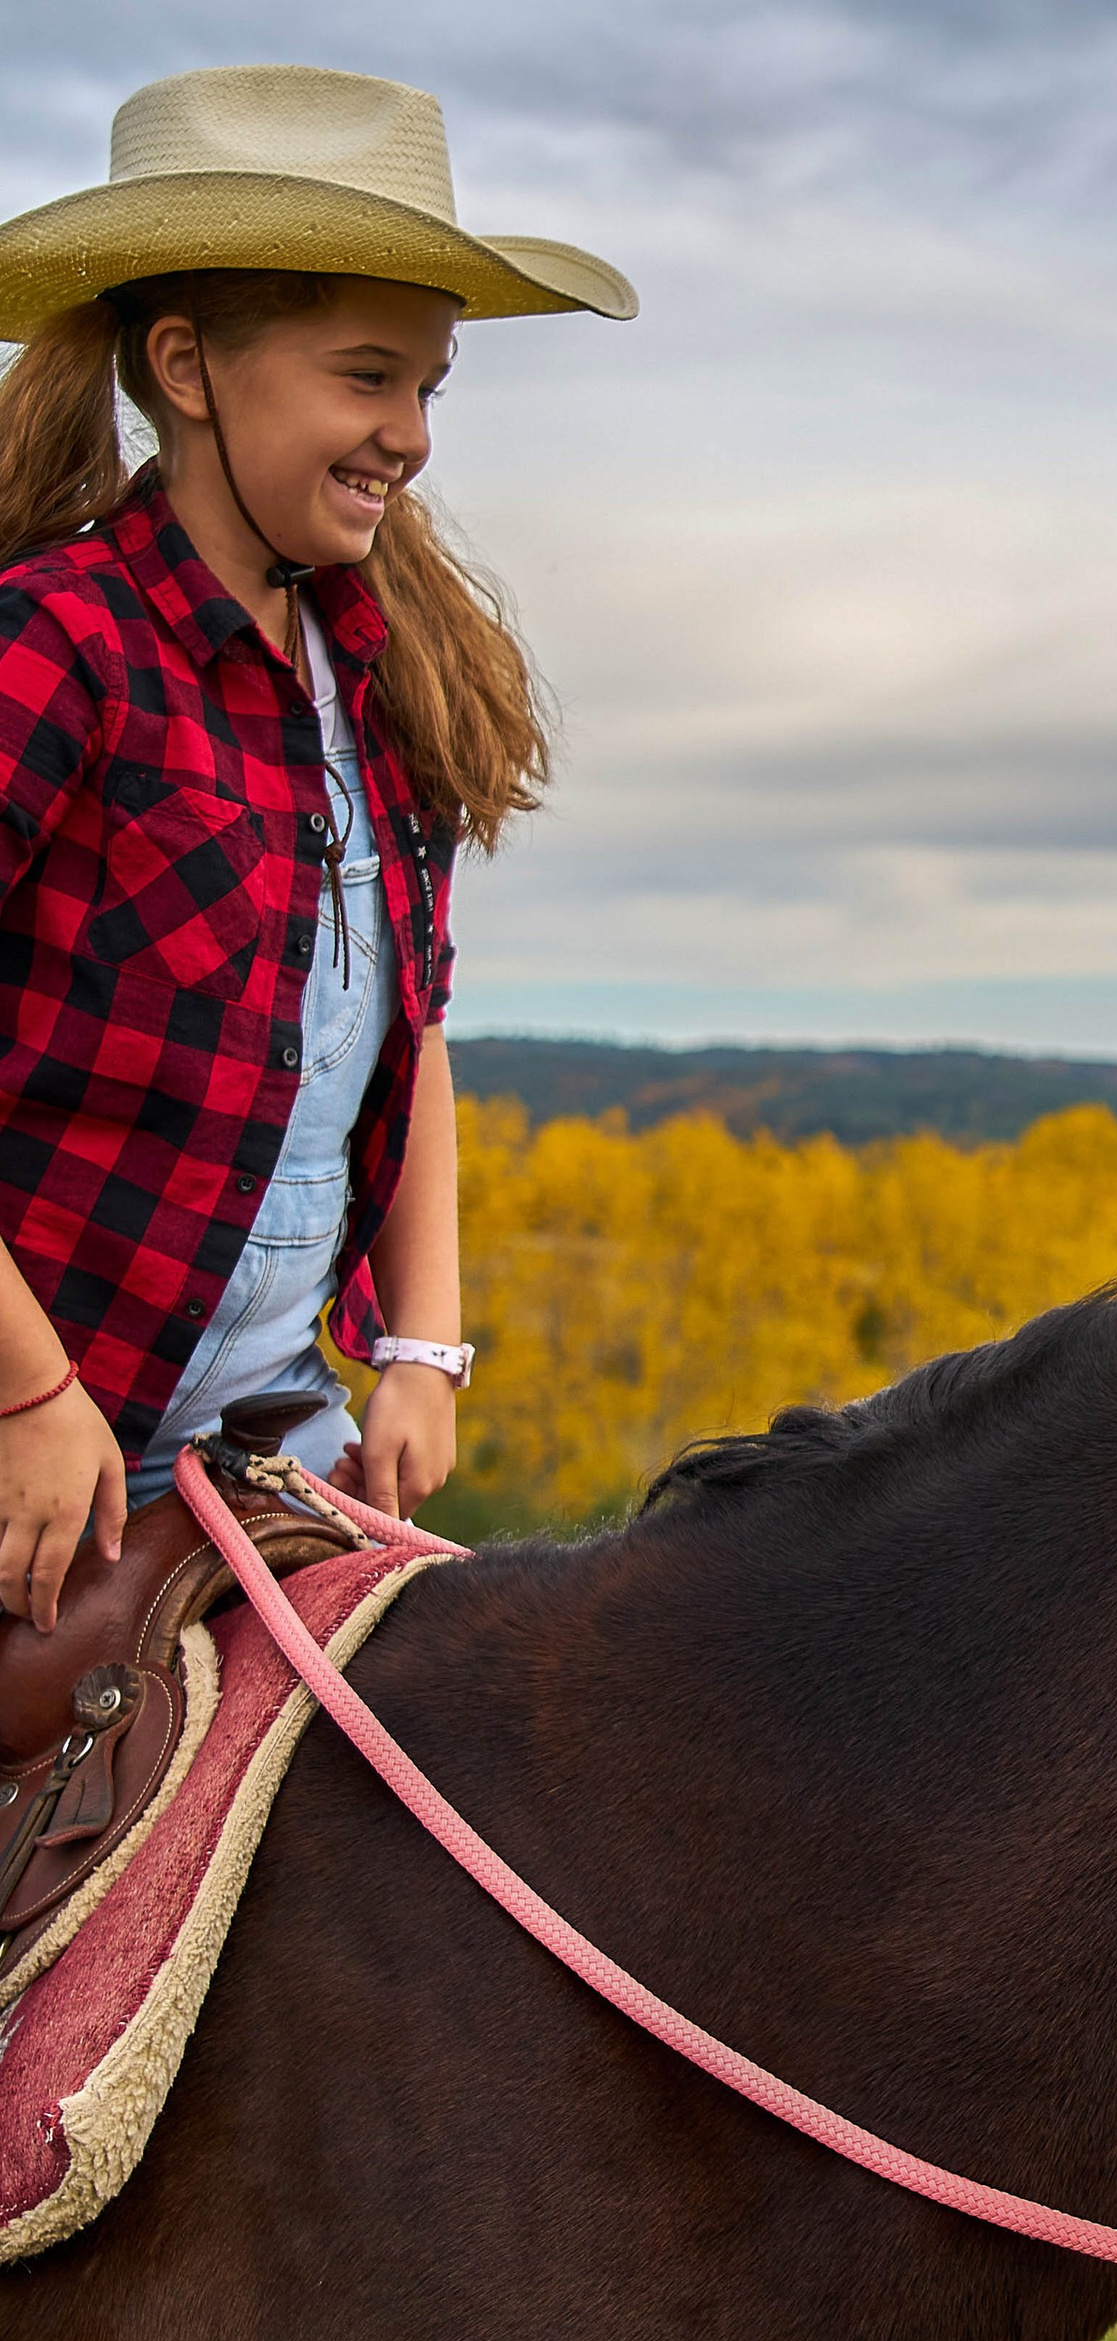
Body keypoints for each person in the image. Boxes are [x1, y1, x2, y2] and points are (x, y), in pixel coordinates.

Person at [0, 65, 631, 1627]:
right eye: (367, 378)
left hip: (277, 1446)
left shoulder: (374, 672)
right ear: (188, 365)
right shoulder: (53, 648)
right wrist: (26, 1399)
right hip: (36, 1460)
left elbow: (403, 1031)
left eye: (430, 387)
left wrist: (421, 1344)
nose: (409, 437)